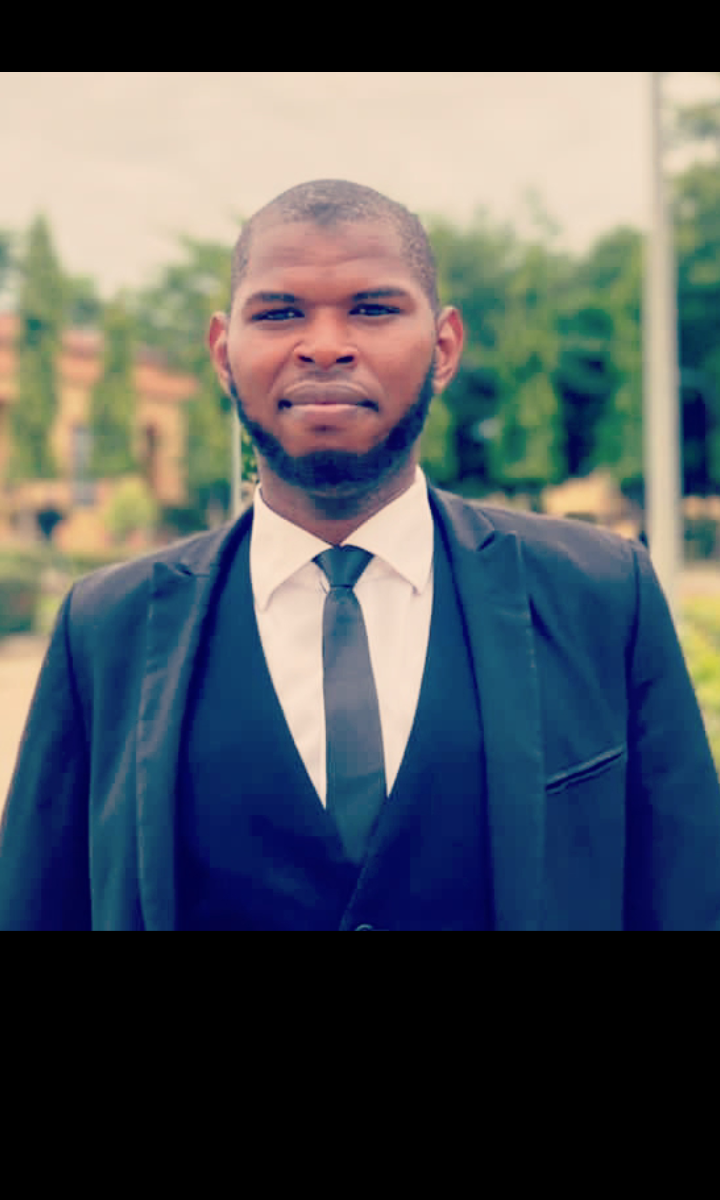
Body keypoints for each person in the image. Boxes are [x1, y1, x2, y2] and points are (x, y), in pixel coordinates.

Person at [1, 179, 719, 931]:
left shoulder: (602, 595)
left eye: (373, 309)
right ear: (222, 353)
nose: (324, 344)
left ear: (444, 347)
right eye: (279, 313)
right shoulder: (106, 627)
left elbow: (688, 901)